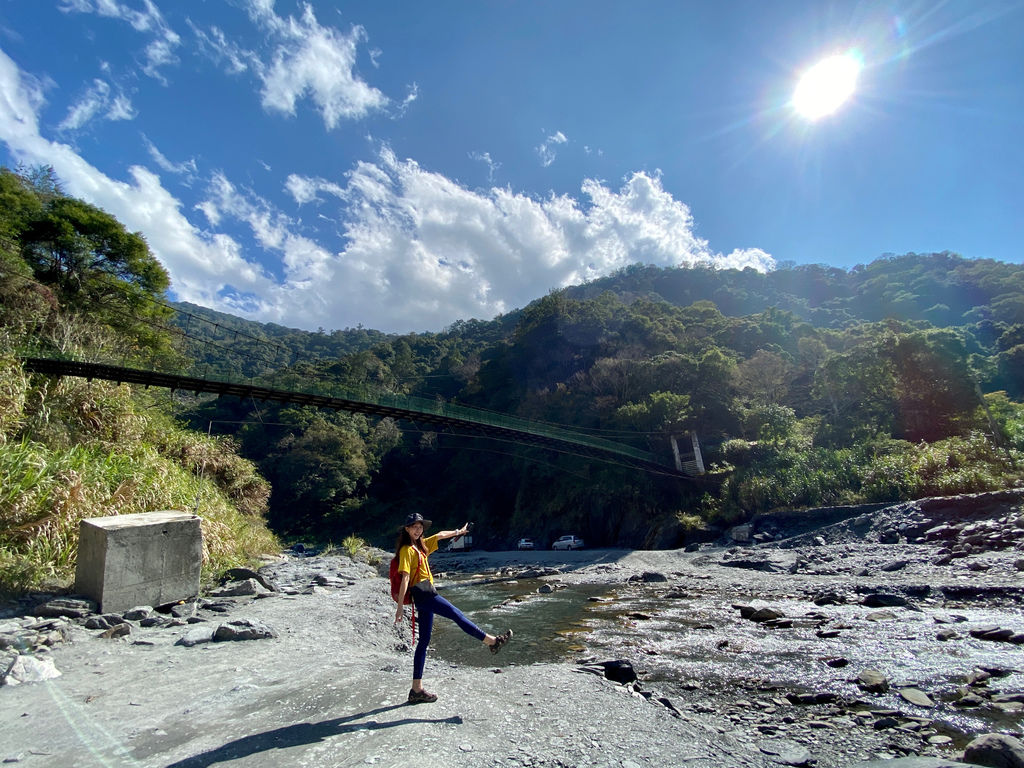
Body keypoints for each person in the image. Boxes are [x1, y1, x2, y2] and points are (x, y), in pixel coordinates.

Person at [394, 512, 513, 704]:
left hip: (424, 596)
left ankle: (416, 690)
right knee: (456, 614)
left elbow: (440, 535)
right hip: (424, 594)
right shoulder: (407, 550)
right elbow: (406, 578)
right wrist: (400, 607)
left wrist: (460, 531)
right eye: (414, 526)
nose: (418, 529)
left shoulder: (421, 546)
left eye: (420, 526)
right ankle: (492, 642)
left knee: (423, 643)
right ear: (407, 529)